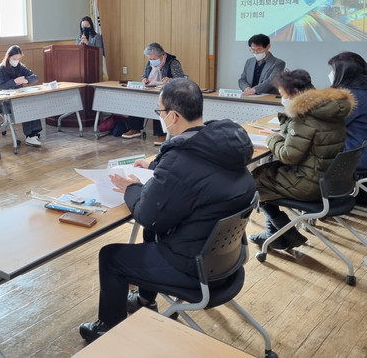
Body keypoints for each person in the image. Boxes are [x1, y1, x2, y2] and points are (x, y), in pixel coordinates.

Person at [79, 78, 256, 343]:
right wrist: (157, 168)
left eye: (159, 111)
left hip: (195, 269)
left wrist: (131, 187)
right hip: (227, 260)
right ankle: (144, 301)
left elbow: (147, 215)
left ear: (173, 116)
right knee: (152, 234)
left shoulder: (182, 158)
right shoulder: (225, 145)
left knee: (111, 256)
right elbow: (195, 178)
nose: (159, 116)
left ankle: (108, 328)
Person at [249, 69, 354, 250]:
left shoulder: (304, 117)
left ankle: (284, 233)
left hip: (309, 184)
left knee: (255, 181)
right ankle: (277, 235)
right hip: (331, 181)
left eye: (283, 94)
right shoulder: (329, 110)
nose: (282, 99)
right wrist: (287, 131)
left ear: (295, 92)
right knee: (266, 172)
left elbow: (288, 156)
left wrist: (271, 138)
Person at [329, 52, 367, 206]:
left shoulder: (350, 97)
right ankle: (362, 196)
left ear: (343, 73)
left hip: (362, 157)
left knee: (316, 152)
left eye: (333, 70)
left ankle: (326, 199)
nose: (331, 74)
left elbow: (330, 126)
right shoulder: (363, 90)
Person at [122, 43, 187, 146]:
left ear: (161, 55)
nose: (151, 61)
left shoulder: (172, 62)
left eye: (154, 58)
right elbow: (144, 75)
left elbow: (183, 79)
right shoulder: (150, 63)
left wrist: (170, 79)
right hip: (151, 90)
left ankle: (161, 134)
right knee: (136, 100)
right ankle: (135, 128)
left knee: (159, 104)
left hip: (168, 93)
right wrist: (144, 79)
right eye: (150, 58)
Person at [0, 45, 43, 147]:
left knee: (32, 102)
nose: (16, 61)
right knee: (26, 105)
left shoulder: (20, 67)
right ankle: (30, 135)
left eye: (19, 59)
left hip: (20, 97)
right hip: (7, 101)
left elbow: (35, 77)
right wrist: (14, 81)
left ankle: (34, 133)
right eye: (14, 59)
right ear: (8, 57)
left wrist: (26, 80)